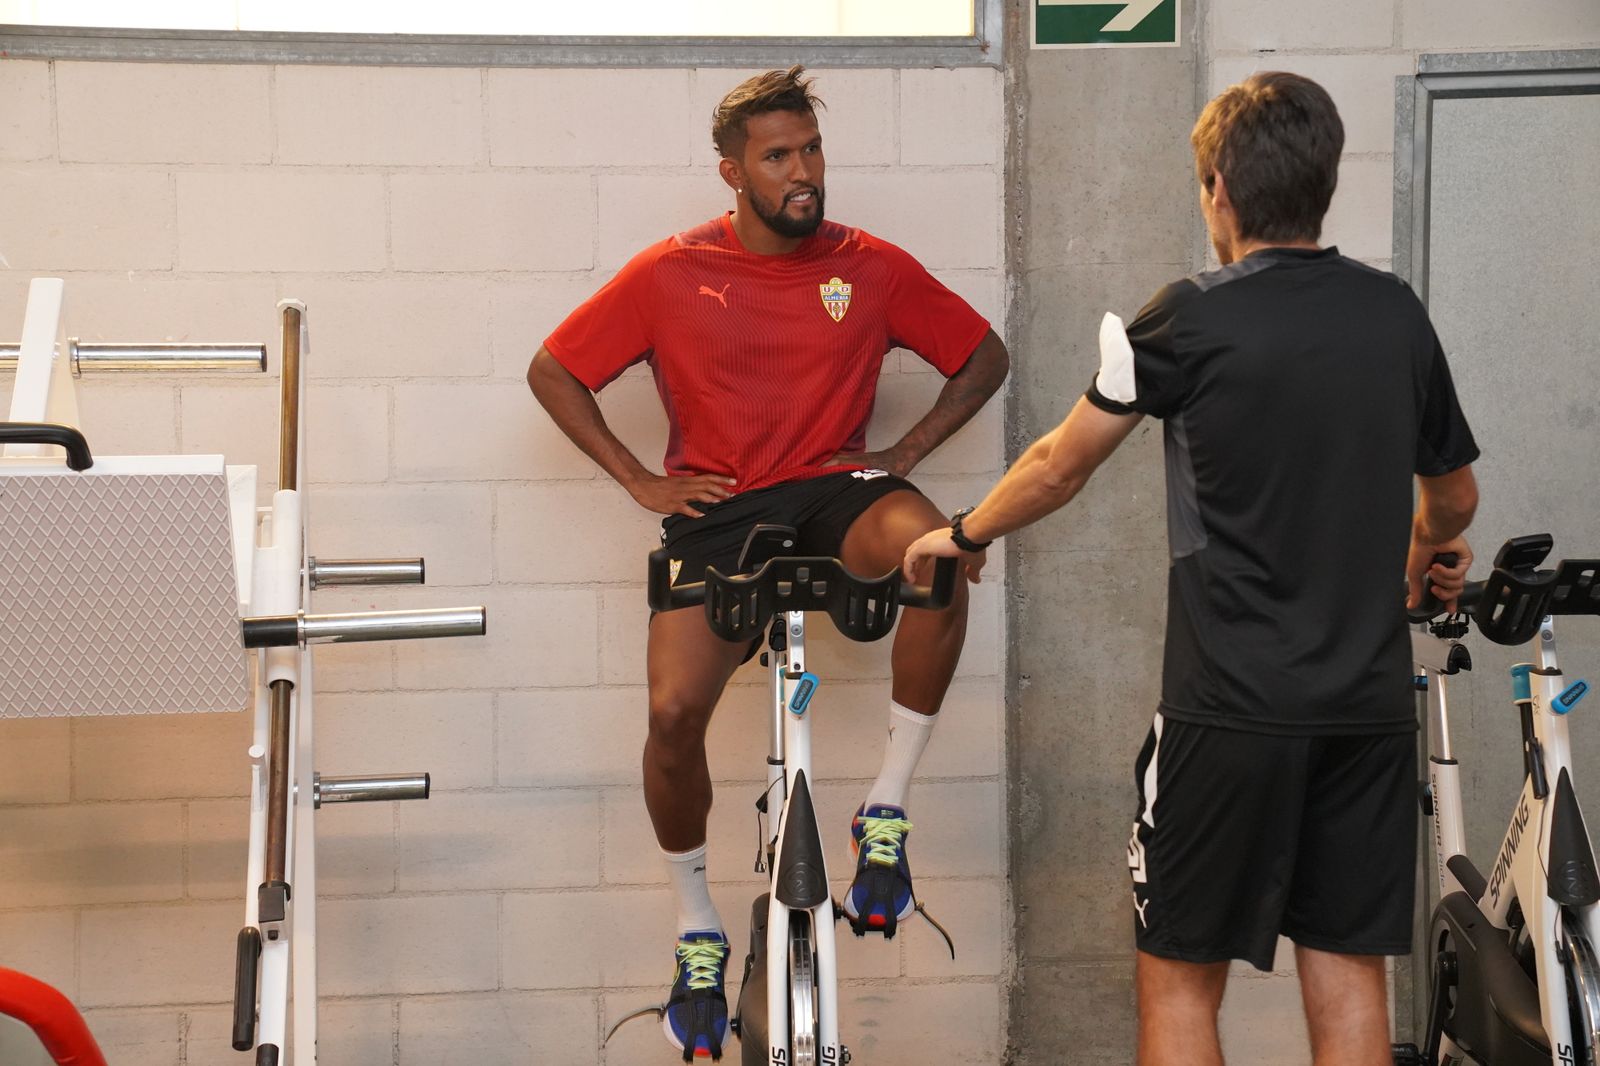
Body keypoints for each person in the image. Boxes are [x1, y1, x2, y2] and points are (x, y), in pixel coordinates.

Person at [904, 72, 1480, 1066]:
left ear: (1217, 186)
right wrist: (1421, 561)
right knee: (1346, 980)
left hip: (1226, 713)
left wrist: (961, 532)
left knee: (1175, 982)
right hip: (1364, 711)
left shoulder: (1186, 317)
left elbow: (1056, 465)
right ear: (1323, 182)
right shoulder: (1394, 313)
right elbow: (1455, 496)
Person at [528, 66, 1008, 1061]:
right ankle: (696, 926)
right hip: (720, 508)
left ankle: (884, 813)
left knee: (940, 556)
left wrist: (906, 456)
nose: (801, 173)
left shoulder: (868, 265)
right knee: (669, 719)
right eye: (777, 156)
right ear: (732, 173)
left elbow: (983, 356)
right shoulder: (671, 271)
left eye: (811, 150)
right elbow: (555, 369)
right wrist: (637, 480)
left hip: (839, 489)